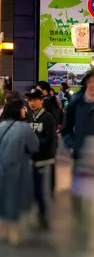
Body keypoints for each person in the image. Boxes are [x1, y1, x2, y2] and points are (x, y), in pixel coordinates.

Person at [0, 99, 39, 245]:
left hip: (1, 169)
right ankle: (14, 234)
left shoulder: (1, 126)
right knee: (15, 200)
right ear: (18, 111)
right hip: (18, 170)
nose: (25, 110)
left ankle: (3, 230)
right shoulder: (24, 128)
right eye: (23, 108)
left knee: (3, 198)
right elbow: (34, 146)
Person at [61, 70, 94, 174]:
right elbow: (66, 129)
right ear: (87, 81)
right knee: (78, 188)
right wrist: (74, 145)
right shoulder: (75, 102)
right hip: (79, 157)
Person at [25, 89, 57, 228]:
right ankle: (36, 213)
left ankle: (43, 215)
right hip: (30, 160)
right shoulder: (29, 117)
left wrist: (33, 143)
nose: (32, 103)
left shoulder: (48, 118)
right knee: (32, 188)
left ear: (42, 101)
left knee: (40, 189)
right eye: (30, 100)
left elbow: (49, 139)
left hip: (43, 160)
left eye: (35, 100)